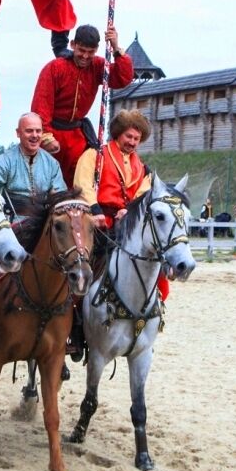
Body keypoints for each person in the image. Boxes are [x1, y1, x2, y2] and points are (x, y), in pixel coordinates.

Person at [71, 109, 170, 361]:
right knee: (81, 264)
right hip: (97, 219)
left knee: (153, 264)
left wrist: (130, 211)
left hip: (127, 223)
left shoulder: (143, 168)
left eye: (137, 138)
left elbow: (144, 194)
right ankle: (74, 321)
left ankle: (149, 314)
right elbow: (83, 183)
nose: (133, 142)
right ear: (118, 134)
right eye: (129, 136)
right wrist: (95, 211)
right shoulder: (96, 156)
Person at [0, 112, 67, 294]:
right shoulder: (4, 162)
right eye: (29, 131)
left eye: (38, 131)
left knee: (71, 260)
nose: (34, 135)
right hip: (11, 224)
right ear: (18, 133)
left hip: (43, 227)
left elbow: (59, 196)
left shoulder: (52, 164)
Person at [31, 22, 134, 186]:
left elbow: (122, 78)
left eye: (91, 52)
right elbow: (41, 105)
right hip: (52, 133)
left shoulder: (99, 66)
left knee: (81, 180)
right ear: (73, 45)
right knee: (46, 179)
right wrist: (45, 137)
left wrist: (116, 48)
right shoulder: (55, 68)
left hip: (78, 136)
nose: (85, 56)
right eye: (81, 51)